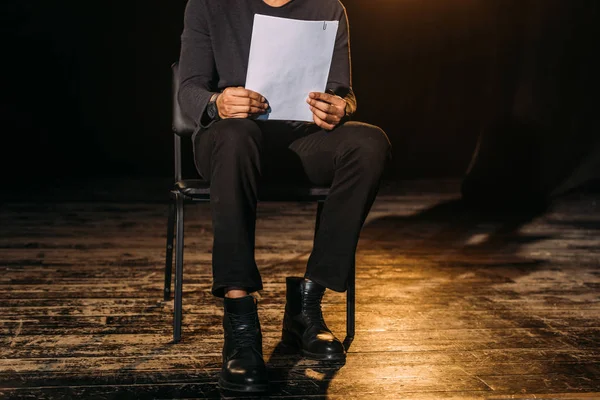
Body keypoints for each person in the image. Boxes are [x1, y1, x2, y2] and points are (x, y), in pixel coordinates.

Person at [178, 0, 391, 392]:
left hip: (300, 141)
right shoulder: (210, 4)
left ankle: (306, 305)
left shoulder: (328, 7)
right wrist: (217, 102)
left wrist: (338, 107)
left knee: (369, 142)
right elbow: (188, 88)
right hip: (229, 140)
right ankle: (240, 320)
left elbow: (343, 91)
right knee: (236, 134)